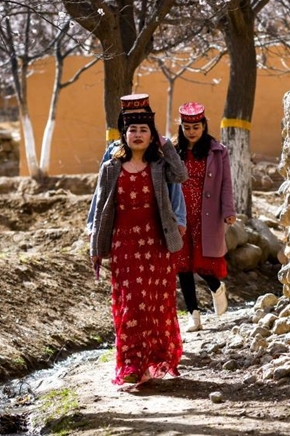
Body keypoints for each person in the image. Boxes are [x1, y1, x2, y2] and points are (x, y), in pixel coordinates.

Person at [89, 93, 188, 385]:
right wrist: (96, 246)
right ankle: (131, 364)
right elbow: (99, 207)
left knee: (155, 304)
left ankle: (152, 359)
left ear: (152, 135)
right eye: (132, 130)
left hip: (156, 244)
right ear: (124, 134)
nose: (138, 134)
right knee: (130, 303)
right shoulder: (110, 168)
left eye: (144, 130)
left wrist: (166, 143)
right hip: (124, 244)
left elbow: (180, 175)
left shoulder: (159, 167)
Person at [174, 102, 236, 332]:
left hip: (206, 214)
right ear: (181, 127)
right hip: (179, 215)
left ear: (203, 126)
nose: (191, 132)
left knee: (202, 262)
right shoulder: (172, 151)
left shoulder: (217, 151)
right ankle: (194, 315)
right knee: (183, 266)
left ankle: (217, 287)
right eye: (187, 127)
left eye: (196, 127)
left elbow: (226, 184)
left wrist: (228, 210)